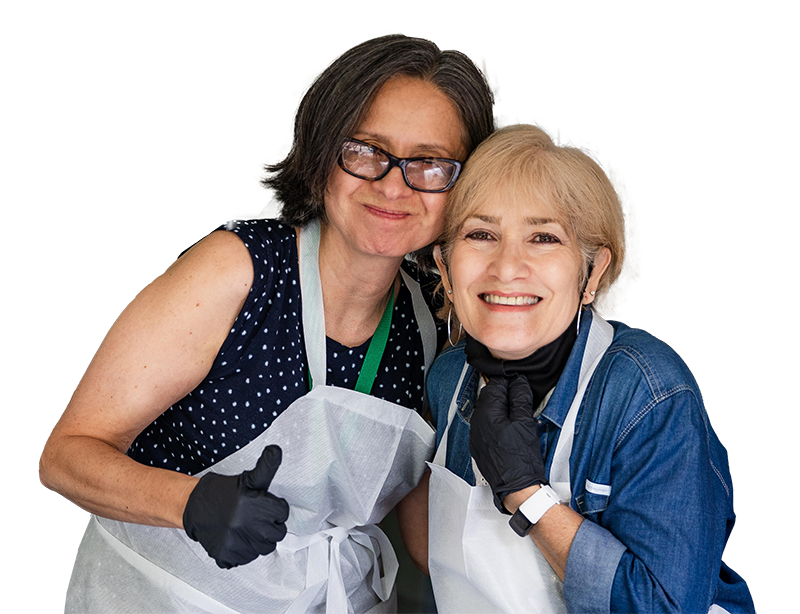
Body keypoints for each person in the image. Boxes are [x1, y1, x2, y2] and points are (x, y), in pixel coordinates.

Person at [38, 34, 495, 613]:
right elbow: (67, 455)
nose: (392, 183)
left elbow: (428, 540)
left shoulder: (431, 326)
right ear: (323, 152)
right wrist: (191, 502)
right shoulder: (239, 271)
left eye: (430, 164)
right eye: (366, 149)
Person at [400, 124, 755, 613]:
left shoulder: (647, 393)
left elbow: (667, 607)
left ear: (592, 274)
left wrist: (526, 493)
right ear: (445, 266)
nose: (507, 267)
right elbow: (429, 551)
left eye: (543, 238)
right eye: (481, 234)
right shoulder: (447, 380)